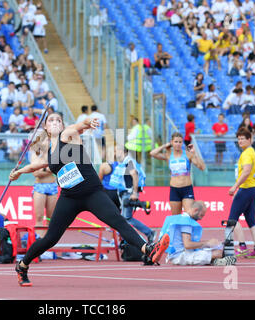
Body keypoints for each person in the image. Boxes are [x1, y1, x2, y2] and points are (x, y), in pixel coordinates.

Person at [9, 112, 168, 286]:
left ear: (62, 125)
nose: (55, 122)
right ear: (46, 128)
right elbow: (37, 165)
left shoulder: (67, 134)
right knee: (50, 239)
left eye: (58, 120)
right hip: (69, 198)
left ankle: (149, 249)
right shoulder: (51, 154)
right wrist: (19, 172)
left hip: (92, 193)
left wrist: (88, 122)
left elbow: (80, 126)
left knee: (118, 222)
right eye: (51, 120)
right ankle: (22, 266)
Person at [159, 201, 236, 266]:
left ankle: (213, 260)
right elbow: (188, 245)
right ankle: (214, 260)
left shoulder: (181, 218)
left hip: (177, 254)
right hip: (180, 256)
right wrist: (207, 242)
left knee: (214, 249)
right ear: (195, 210)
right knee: (218, 253)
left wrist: (207, 244)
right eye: (201, 215)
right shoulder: (186, 222)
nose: (201, 218)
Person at [150, 132, 206, 215]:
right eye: (176, 142)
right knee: (176, 217)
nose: (178, 144)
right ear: (172, 142)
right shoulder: (168, 155)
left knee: (189, 215)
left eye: (180, 142)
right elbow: (152, 153)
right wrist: (165, 145)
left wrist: (195, 154)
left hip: (187, 189)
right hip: (174, 189)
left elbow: (202, 167)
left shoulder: (188, 154)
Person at [227, 127, 255, 258]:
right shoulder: (252, 152)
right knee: (251, 220)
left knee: (232, 219)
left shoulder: (247, 153)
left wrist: (235, 187)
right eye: (239, 139)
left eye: (243, 139)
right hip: (254, 189)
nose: (240, 141)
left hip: (247, 188)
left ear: (249, 139)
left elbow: (247, 171)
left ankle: (242, 247)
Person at [110, 145, 155, 243]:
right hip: (125, 193)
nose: (114, 153)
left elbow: (135, 175)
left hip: (128, 193)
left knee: (126, 218)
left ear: (122, 151)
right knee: (125, 218)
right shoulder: (123, 163)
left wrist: (135, 193)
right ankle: (124, 239)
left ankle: (148, 233)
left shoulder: (128, 162)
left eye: (116, 151)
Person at [30, 134, 58, 237]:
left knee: (50, 218)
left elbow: (55, 169)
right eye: (46, 140)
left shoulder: (53, 154)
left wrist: (43, 169)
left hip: (52, 186)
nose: (48, 142)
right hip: (40, 187)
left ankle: (48, 240)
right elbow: (35, 173)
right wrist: (48, 169)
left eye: (49, 140)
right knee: (39, 217)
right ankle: (39, 239)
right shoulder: (35, 154)